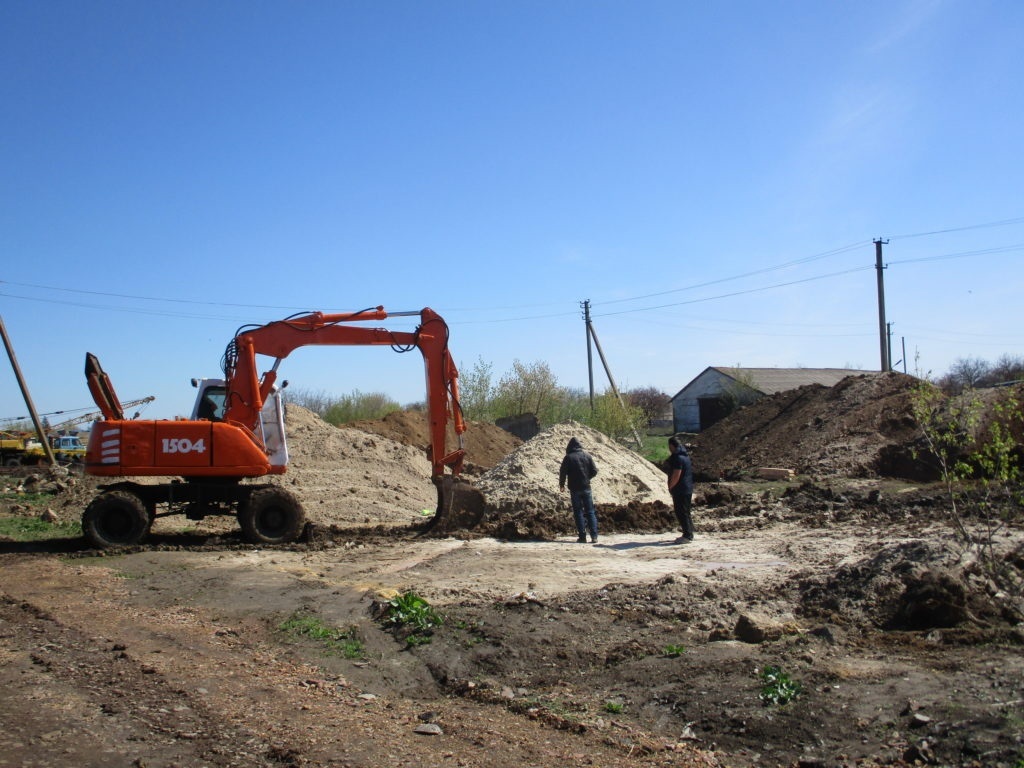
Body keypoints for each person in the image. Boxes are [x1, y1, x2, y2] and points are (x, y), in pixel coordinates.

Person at [559, 436, 599, 543]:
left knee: (578, 512)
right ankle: (594, 536)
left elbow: (563, 472)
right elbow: (594, 470)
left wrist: (561, 485)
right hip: (586, 487)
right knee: (590, 511)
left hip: (574, 488)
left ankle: (582, 536)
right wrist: (587, 477)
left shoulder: (568, 457)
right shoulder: (587, 455)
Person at [667, 436, 694, 544]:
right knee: (686, 512)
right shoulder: (685, 456)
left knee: (681, 512)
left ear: (672, 446)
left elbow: (676, 474)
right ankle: (689, 533)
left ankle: (687, 535)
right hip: (687, 488)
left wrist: (671, 486)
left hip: (680, 489)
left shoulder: (677, 458)